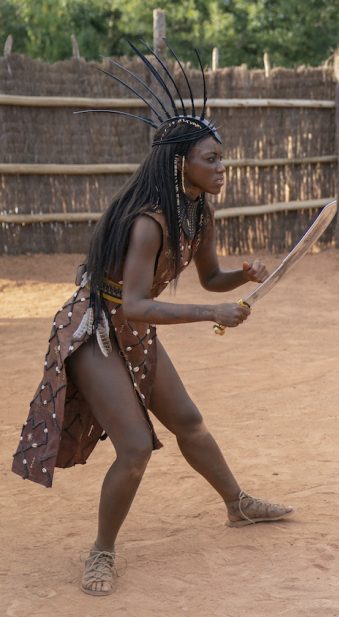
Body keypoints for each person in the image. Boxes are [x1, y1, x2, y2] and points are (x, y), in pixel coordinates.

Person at [11, 44, 293, 596]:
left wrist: (242, 275)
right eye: (210, 158)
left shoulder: (198, 210)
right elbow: (134, 303)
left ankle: (237, 505)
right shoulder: (148, 222)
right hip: (95, 328)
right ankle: (101, 551)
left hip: (132, 327)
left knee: (188, 420)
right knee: (136, 447)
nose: (221, 166)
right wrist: (212, 314)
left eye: (221, 157)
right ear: (180, 162)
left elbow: (210, 277)